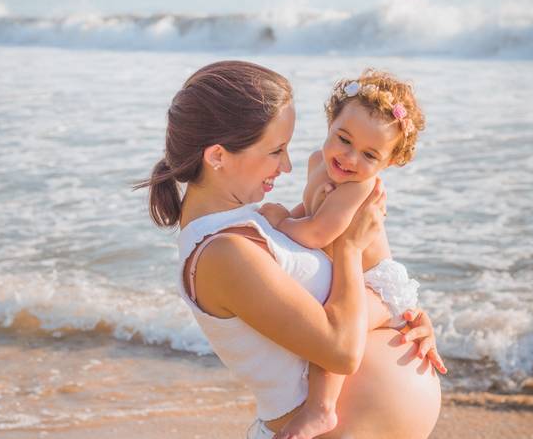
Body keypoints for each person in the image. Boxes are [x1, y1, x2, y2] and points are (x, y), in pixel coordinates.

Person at [136, 61, 443, 439]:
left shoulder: (247, 223)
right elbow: (341, 350)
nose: (287, 165)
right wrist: (349, 246)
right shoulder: (223, 253)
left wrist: (403, 312)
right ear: (217, 156)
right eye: (276, 150)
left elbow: (333, 299)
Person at [257, 70, 438, 439]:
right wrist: (290, 214)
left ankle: (321, 410)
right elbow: (309, 211)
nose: (350, 158)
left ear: (388, 163)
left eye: (370, 154)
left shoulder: (360, 188)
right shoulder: (316, 163)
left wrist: (278, 222)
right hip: (355, 274)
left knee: (337, 332)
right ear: (330, 123)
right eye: (343, 139)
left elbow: (318, 231)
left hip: (379, 288)